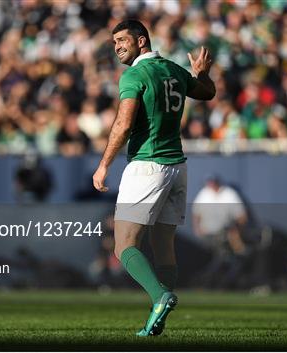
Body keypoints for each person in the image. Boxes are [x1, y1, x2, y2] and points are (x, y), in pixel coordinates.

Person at [92, 20, 215, 336]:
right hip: (178, 168)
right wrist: (200, 72)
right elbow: (207, 91)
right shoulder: (173, 70)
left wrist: (104, 164)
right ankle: (156, 316)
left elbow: (123, 123)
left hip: (147, 166)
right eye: (114, 41)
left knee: (123, 247)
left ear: (141, 41)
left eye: (122, 39)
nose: (117, 45)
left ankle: (160, 297)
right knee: (163, 245)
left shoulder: (134, 75)